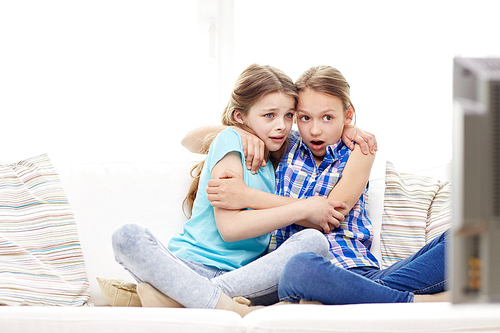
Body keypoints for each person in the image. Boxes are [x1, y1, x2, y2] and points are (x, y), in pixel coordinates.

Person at [198, 65, 449, 305]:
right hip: (300, 274)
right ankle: (414, 302)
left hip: (358, 270)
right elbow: (190, 140)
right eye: (305, 118)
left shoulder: (359, 151)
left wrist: (248, 197)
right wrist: (238, 130)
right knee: (301, 267)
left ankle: (373, 296)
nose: (315, 130)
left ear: (348, 114)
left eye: (328, 117)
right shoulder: (284, 144)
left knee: (463, 239)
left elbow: (327, 215)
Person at [111, 64, 347, 317]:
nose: (281, 125)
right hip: (190, 268)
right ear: (239, 116)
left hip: (245, 279)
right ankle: (231, 308)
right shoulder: (232, 140)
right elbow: (230, 229)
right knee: (127, 236)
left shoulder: (279, 152)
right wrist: (303, 207)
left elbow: (321, 131)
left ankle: (188, 299)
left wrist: (349, 131)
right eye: (269, 115)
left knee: (314, 242)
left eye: (289, 115)